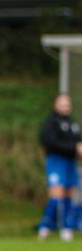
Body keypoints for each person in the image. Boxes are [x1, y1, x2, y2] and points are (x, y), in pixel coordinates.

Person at [37, 93, 81, 241]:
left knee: (68, 194)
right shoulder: (51, 122)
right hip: (56, 161)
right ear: (55, 105)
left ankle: (61, 226)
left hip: (70, 162)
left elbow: (77, 141)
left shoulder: (73, 124)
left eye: (67, 104)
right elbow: (50, 142)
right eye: (62, 104)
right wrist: (74, 147)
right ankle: (50, 225)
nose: (65, 107)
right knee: (57, 194)